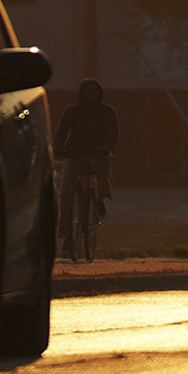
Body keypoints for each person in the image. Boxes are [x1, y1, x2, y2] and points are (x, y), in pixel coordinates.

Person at [56, 79, 121, 262]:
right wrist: (58, 148)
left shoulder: (106, 112)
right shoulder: (72, 111)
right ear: (81, 92)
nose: (91, 94)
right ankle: (67, 237)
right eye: (88, 90)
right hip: (75, 152)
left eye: (95, 90)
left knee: (101, 170)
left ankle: (100, 198)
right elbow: (61, 131)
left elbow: (113, 133)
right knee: (66, 191)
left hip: (97, 152)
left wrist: (105, 148)